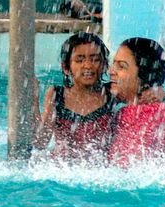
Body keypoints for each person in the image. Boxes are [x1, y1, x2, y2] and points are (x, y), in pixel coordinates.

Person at [33, 32, 116, 162]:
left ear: (104, 65)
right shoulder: (56, 95)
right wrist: (33, 100)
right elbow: (41, 142)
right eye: (80, 60)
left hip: (100, 168)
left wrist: (156, 92)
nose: (88, 65)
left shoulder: (111, 92)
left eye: (95, 59)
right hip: (63, 167)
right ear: (66, 67)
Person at [107, 37, 165, 166]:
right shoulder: (160, 110)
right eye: (113, 64)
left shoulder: (152, 115)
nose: (110, 71)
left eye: (121, 67)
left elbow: (126, 167)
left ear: (144, 75)